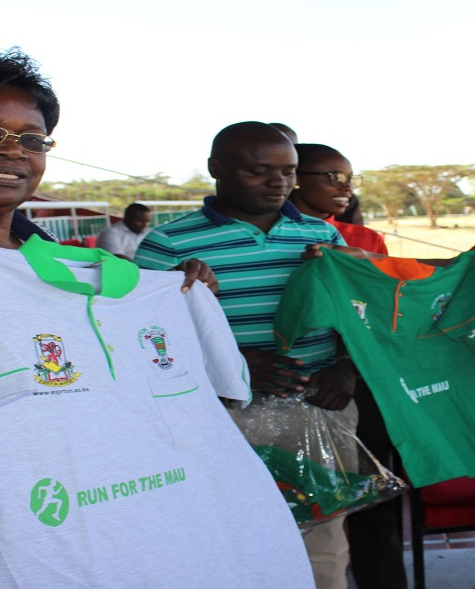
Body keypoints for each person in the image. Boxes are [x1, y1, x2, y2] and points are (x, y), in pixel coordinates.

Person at [0, 48, 306, 589]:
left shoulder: (57, 260)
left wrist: (168, 299)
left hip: (82, 529)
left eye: (33, 139)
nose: (13, 150)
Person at [135, 121, 359, 589]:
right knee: (231, 538)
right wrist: (228, 365)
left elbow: (358, 317)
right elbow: (143, 341)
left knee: (324, 542)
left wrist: (346, 368)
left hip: (320, 406)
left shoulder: (322, 235)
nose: (278, 182)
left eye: (288, 171)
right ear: (216, 168)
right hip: (222, 416)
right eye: (259, 171)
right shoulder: (169, 244)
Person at [291, 143, 402, 588]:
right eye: (332, 178)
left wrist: (348, 364)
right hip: (286, 390)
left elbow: (384, 310)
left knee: (372, 500)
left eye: (349, 178)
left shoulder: (363, 239)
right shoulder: (273, 237)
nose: (345, 187)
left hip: (361, 383)